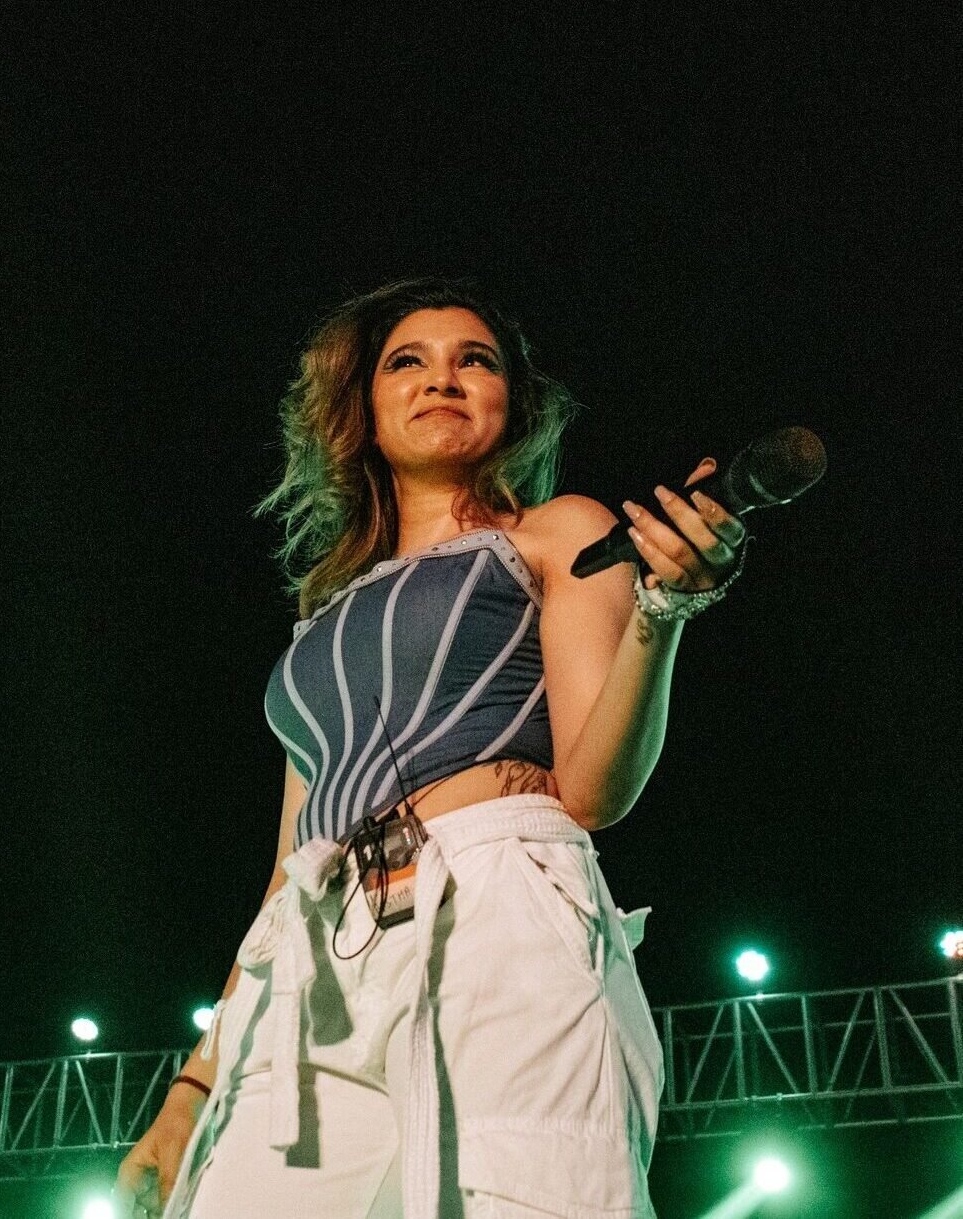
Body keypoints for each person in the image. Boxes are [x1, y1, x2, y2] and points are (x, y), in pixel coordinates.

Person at [115, 278, 747, 1219]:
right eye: (407, 362)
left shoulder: (560, 533)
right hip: (313, 957)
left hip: (495, 908)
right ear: (366, 411)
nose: (442, 379)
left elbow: (592, 791)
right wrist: (193, 1086)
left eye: (474, 361)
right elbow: (286, 872)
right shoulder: (318, 618)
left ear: (512, 405)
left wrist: (665, 606)